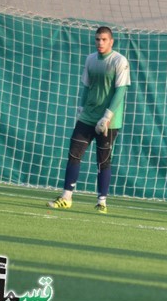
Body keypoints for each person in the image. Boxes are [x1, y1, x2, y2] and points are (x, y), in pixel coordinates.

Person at [47, 26, 130, 214]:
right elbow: (86, 86)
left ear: (111, 41)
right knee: (74, 154)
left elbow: (121, 91)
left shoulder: (119, 61)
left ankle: (102, 202)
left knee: (103, 161)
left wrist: (107, 116)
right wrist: (80, 109)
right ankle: (66, 197)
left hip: (109, 121)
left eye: (103, 39)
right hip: (87, 118)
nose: (100, 43)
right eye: (97, 39)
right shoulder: (91, 59)